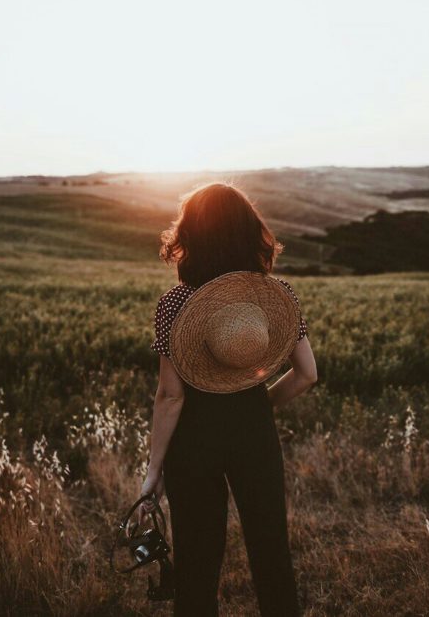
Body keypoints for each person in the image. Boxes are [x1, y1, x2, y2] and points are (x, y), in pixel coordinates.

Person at [140, 181, 318, 616]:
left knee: (197, 565)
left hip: (193, 440)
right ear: (248, 232)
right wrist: (258, 406)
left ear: (191, 237)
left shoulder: (175, 304)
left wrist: (153, 470)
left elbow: (170, 397)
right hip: (253, 431)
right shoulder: (277, 296)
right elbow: (307, 374)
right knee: (272, 553)